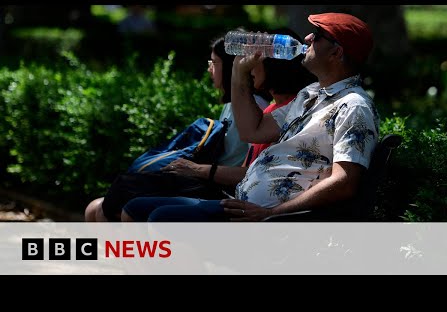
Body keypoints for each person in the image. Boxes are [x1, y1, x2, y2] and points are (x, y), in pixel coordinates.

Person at [121, 13, 379, 223]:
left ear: (336, 53)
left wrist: (271, 214)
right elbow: (251, 131)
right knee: (134, 209)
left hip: (275, 221)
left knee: (160, 219)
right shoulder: (309, 94)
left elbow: (344, 182)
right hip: (246, 206)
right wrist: (239, 71)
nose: (308, 37)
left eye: (319, 35)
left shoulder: (354, 106)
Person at [121, 28, 317, 221]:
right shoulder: (271, 110)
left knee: (151, 211)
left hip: (247, 203)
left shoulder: (290, 109)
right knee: (130, 205)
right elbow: (248, 169)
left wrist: (197, 169)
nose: (250, 67)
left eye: (256, 60)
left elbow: (248, 147)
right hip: (237, 194)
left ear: (274, 64)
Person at [84, 34, 271, 222]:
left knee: (107, 208)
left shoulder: (254, 107)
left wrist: (197, 169)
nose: (209, 69)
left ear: (231, 66)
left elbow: (251, 170)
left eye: (214, 62)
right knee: (96, 207)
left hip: (219, 188)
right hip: (203, 180)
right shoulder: (231, 105)